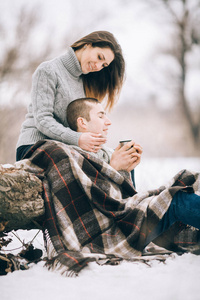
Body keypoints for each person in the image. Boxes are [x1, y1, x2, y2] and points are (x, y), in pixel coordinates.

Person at [66, 97, 200, 247]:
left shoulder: (107, 153)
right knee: (177, 200)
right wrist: (115, 169)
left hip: (131, 218)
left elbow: (128, 198)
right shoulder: (74, 157)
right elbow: (100, 208)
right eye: (101, 115)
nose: (108, 121)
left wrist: (127, 170)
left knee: (189, 179)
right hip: (115, 232)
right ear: (82, 122)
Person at [16, 31, 125, 162]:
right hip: (34, 146)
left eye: (104, 65)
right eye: (99, 57)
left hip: (65, 148)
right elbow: (42, 119)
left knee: (123, 157)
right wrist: (77, 139)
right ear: (87, 45)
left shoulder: (85, 82)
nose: (98, 66)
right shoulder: (48, 70)